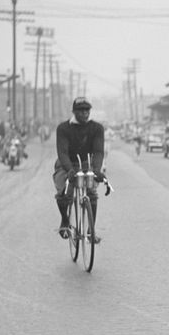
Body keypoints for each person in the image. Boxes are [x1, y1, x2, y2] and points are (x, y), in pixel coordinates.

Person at [54, 97, 105, 241]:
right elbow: (62, 152)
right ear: (74, 111)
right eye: (80, 110)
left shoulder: (97, 128)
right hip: (66, 163)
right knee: (64, 192)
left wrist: (96, 170)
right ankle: (65, 220)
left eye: (87, 110)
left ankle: (91, 231)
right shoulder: (63, 128)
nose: (84, 114)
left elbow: (99, 151)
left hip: (86, 164)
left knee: (92, 193)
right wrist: (69, 169)